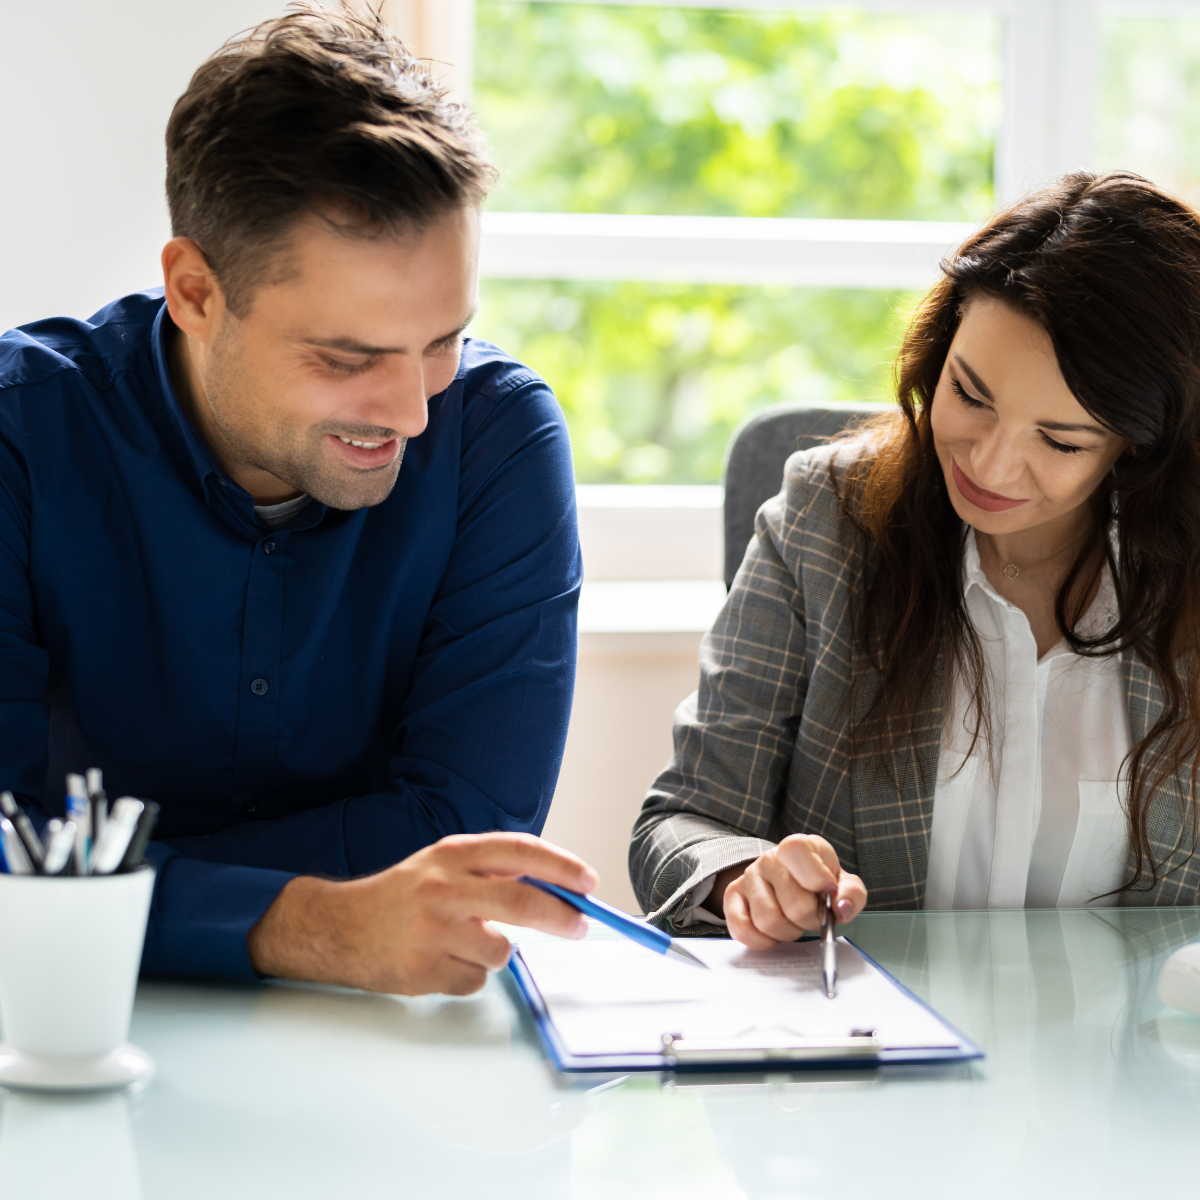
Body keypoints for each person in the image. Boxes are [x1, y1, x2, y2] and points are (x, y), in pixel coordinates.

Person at [0, 3, 599, 995]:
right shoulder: (21, 432)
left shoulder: (498, 438)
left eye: (442, 341)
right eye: (347, 358)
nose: (412, 413)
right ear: (196, 292)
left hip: (372, 1032)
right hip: (67, 1020)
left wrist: (118, 880)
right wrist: (306, 925)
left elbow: (466, 838)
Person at [631, 171, 1200, 948]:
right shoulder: (826, 520)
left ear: (1142, 445)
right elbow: (683, 820)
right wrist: (745, 879)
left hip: (1145, 1030)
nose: (990, 465)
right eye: (970, 395)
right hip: (873, 1022)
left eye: (1059, 440)